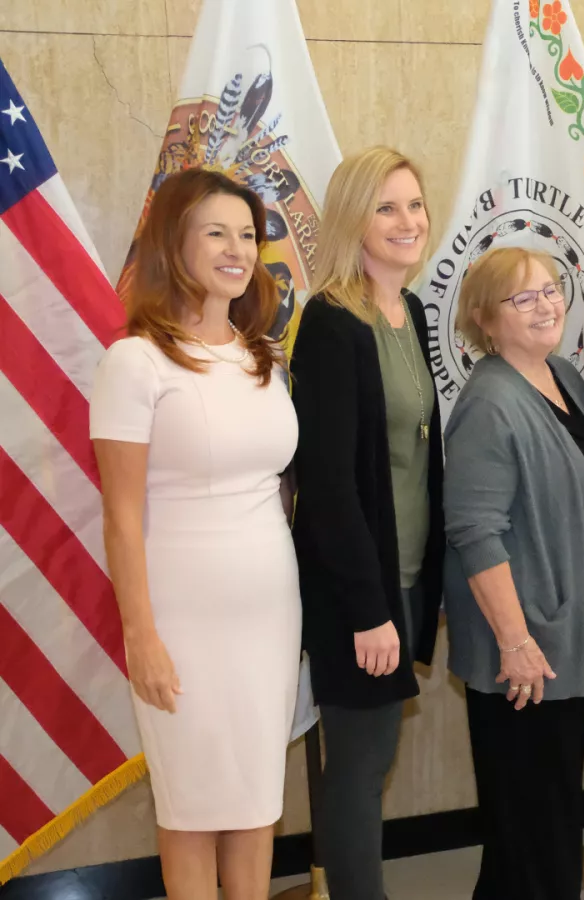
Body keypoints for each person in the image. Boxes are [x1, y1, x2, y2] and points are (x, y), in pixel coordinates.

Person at [91, 167, 299, 899]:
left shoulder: (263, 360)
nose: (238, 248)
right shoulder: (134, 362)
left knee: (254, 797)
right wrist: (140, 633)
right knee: (191, 804)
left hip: (269, 610)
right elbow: (120, 513)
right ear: (172, 243)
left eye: (248, 234)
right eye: (217, 231)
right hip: (181, 617)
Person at [442, 246, 584, 899]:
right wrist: (515, 641)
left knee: (533, 825)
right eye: (522, 297)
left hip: (564, 635)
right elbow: (475, 531)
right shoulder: (490, 402)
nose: (546, 304)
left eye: (552, 289)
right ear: (484, 318)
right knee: (536, 828)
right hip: (523, 651)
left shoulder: (562, 374)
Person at [289, 147, 444, 900]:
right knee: (358, 762)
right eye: (387, 207)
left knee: (371, 757)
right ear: (354, 219)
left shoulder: (408, 310)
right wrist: (367, 609)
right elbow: (326, 485)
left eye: (414, 206)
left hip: (407, 576)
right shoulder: (330, 322)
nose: (407, 222)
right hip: (362, 589)